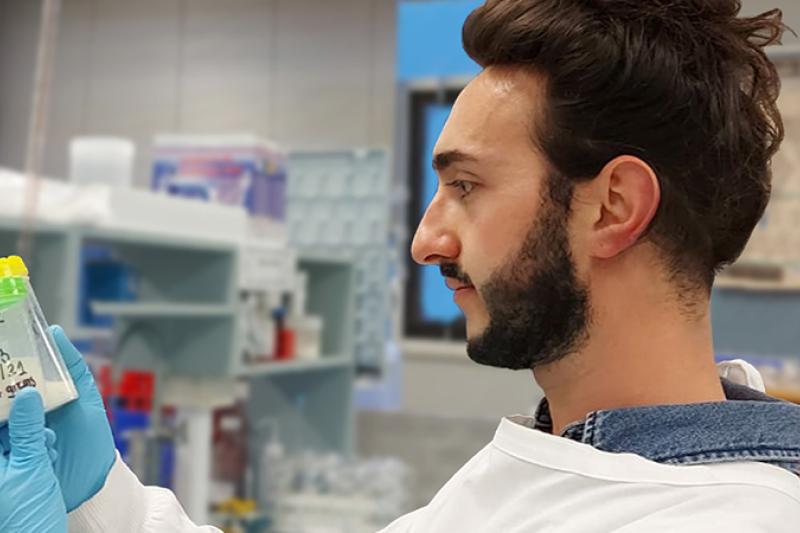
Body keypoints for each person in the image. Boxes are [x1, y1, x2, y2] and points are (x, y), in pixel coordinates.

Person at [2, 0, 800, 531]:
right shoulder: (579, 464)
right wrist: (98, 492)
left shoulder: (721, 517)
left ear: (614, 207)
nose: (425, 240)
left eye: (465, 186)